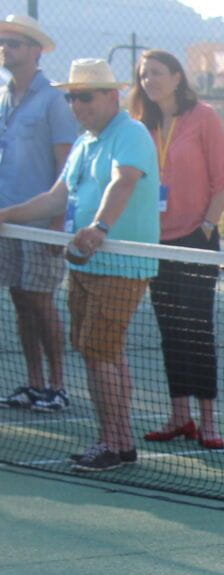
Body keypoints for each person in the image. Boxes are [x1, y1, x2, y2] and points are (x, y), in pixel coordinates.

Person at [0, 59, 158, 471]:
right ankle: (119, 442)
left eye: (84, 96)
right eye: (71, 97)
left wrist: (99, 227)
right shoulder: (85, 142)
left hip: (119, 264)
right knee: (100, 351)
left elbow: (122, 181)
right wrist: (3, 216)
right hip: (87, 264)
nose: (76, 105)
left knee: (100, 352)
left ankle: (113, 443)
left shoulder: (132, 133)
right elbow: (55, 198)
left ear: (112, 95)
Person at [129, 50, 224, 450]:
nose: (149, 81)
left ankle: (208, 422)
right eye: (143, 75)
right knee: (169, 329)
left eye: (157, 73)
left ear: (177, 77)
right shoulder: (142, 126)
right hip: (156, 241)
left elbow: (223, 181)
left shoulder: (203, 117)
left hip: (196, 239)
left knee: (197, 328)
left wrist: (205, 227)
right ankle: (179, 417)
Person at [0, 14, 75, 413]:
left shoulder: (54, 99)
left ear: (34, 51)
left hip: (43, 223)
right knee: (19, 298)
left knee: (41, 300)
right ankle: (33, 383)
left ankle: (58, 387)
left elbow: (66, 166)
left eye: (14, 43)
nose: (5, 49)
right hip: (6, 220)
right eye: (3, 42)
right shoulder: (2, 95)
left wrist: (57, 221)